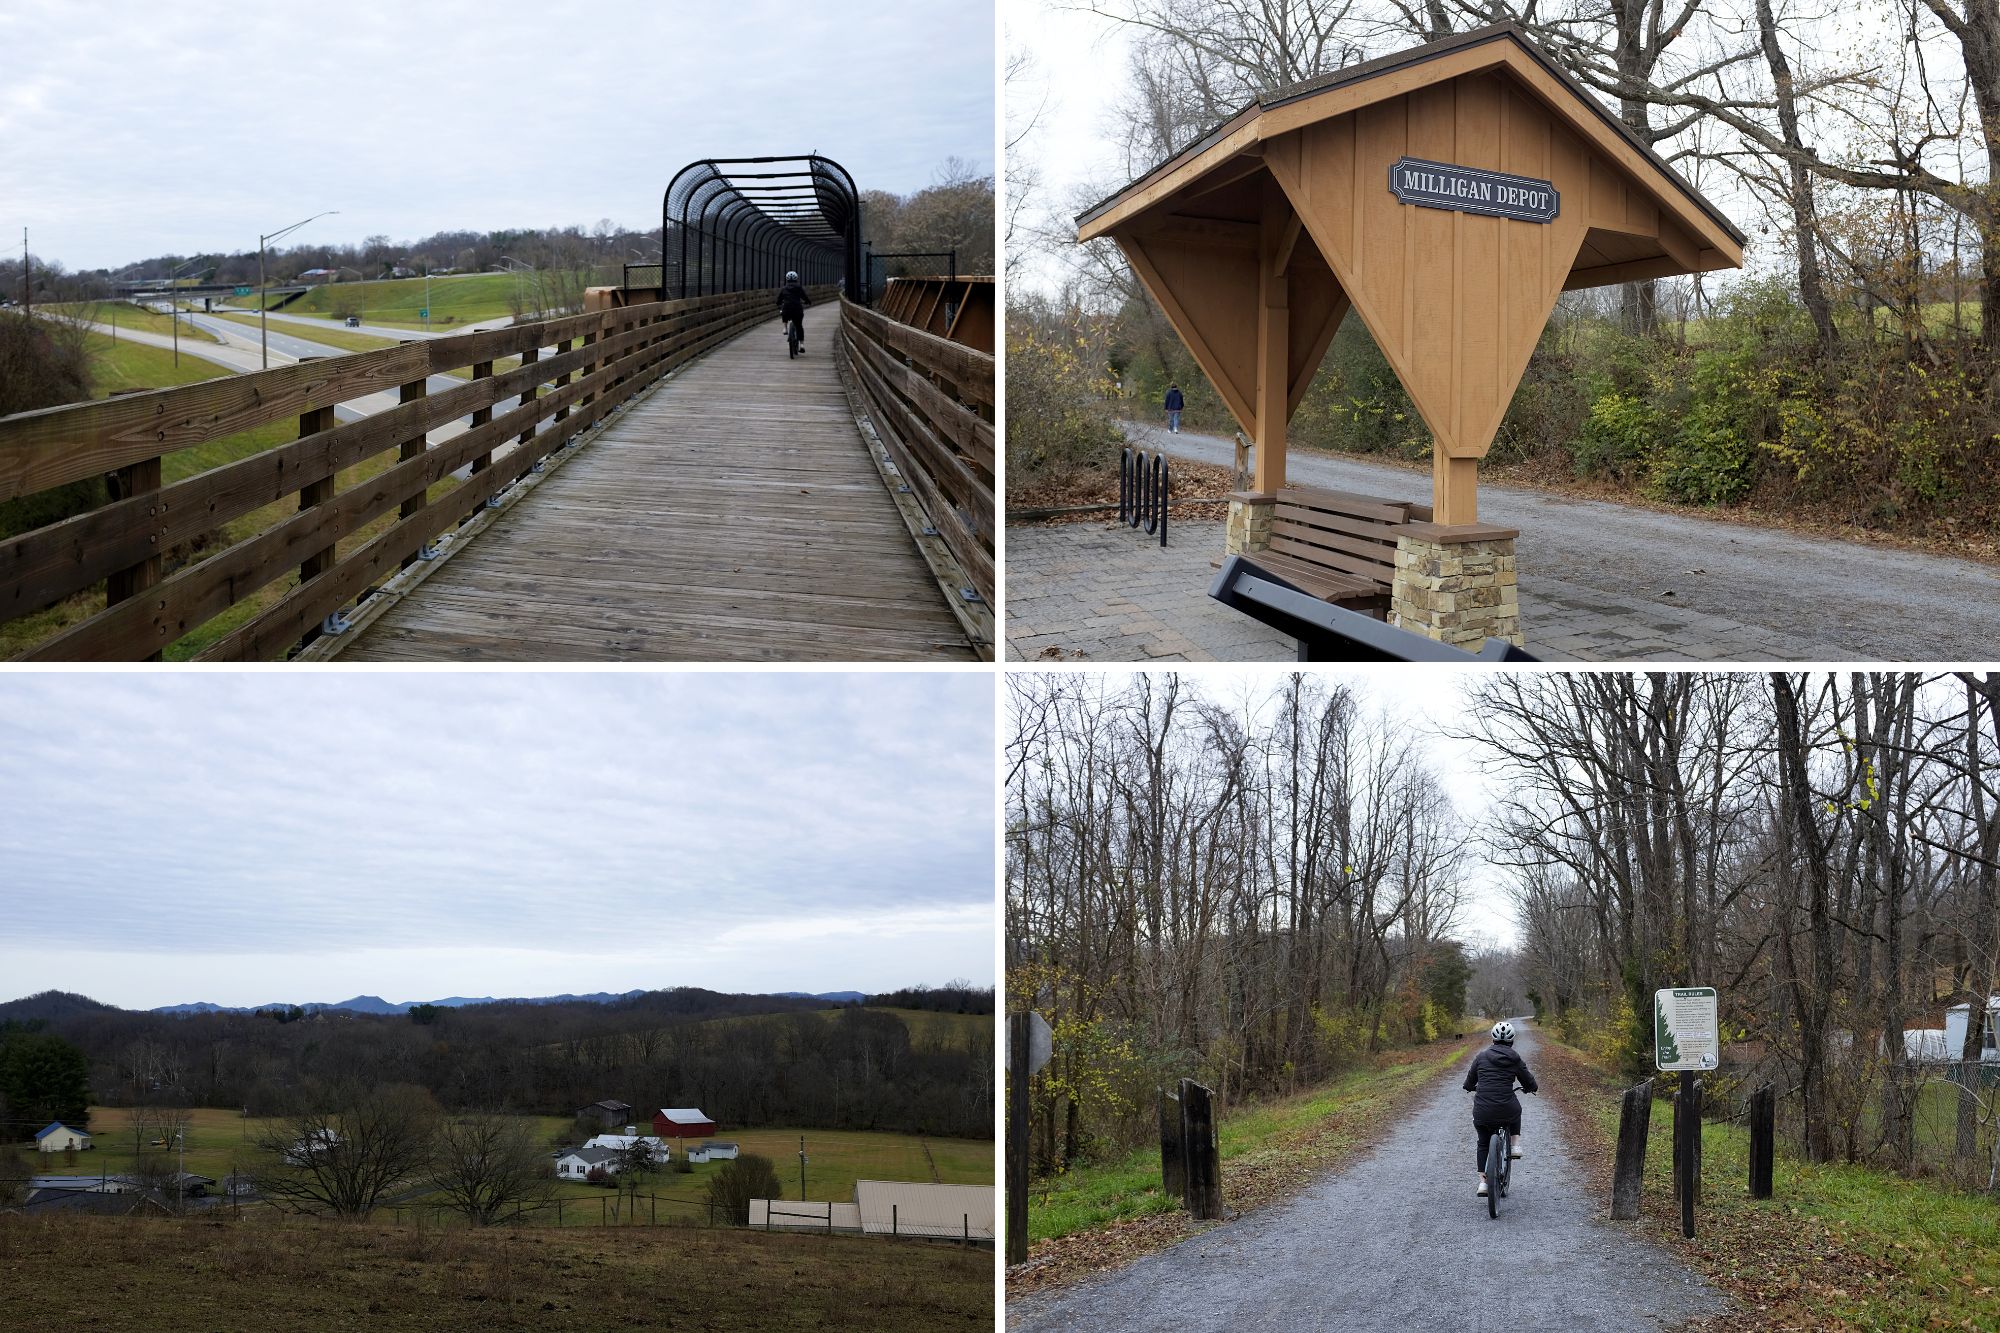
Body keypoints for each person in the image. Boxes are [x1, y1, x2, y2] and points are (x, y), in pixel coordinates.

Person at [1464, 1020, 1537, 1197]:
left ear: (1493, 1039)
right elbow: (1528, 1081)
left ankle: (1483, 1183)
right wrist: (1531, 1088)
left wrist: (1469, 1087)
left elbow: (1469, 1082)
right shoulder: (1515, 1058)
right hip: (1506, 1108)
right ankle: (1515, 1145)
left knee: (1483, 1141)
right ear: (1512, 1040)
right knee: (1516, 1109)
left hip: (1482, 1110)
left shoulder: (1481, 1057)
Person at [777, 271, 812, 353]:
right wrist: (808, 302)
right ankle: (802, 345)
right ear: (796, 279)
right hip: (797, 309)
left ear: (787, 279)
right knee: (799, 326)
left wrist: (779, 304)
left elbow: (779, 300)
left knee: (783, 310)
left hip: (787, 309)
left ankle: (785, 328)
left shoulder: (784, 288)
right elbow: (805, 297)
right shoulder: (799, 288)